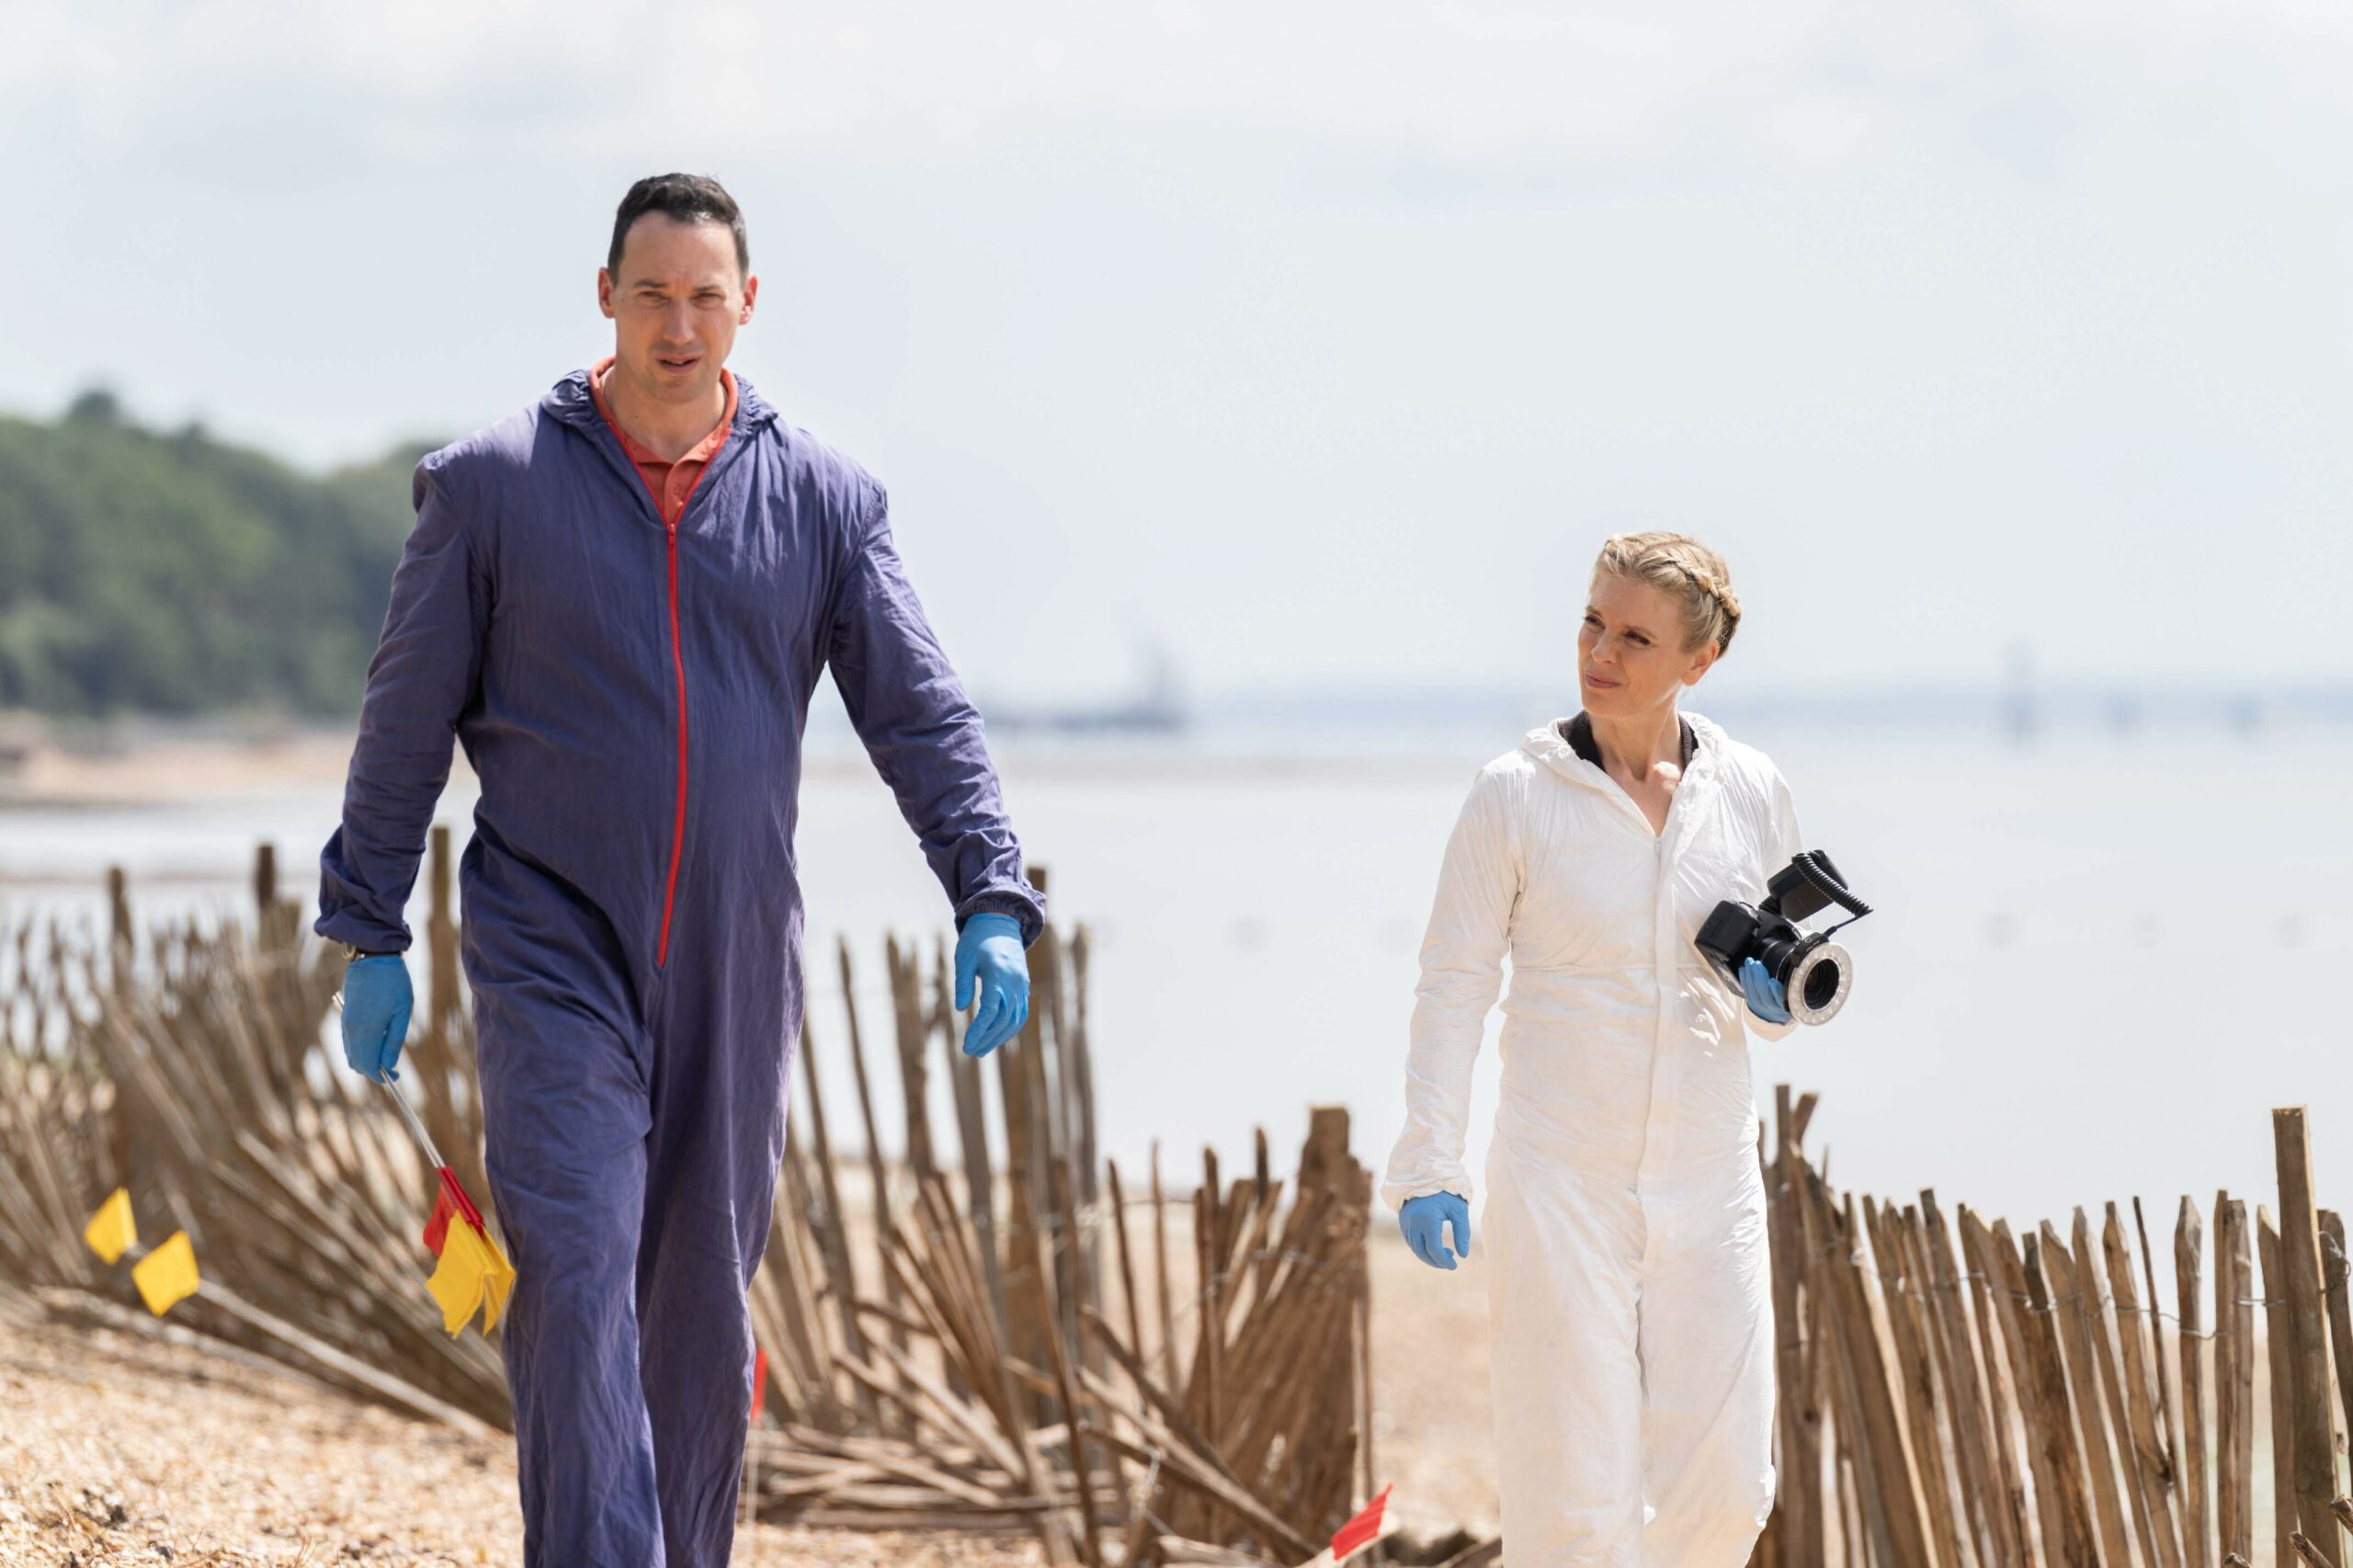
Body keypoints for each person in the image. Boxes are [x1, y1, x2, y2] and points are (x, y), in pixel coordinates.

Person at [314, 173, 1044, 1568]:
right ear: (605, 295)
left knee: (700, 1303)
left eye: (707, 295)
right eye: (651, 292)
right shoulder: (492, 487)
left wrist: (989, 891)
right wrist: (372, 920)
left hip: (733, 947)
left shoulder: (825, 500)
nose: (678, 323)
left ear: (748, 306)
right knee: (580, 1261)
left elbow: (921, 711)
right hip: (547, 938)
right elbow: (403, 713)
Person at [1381, 531, 1813, 1568]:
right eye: (1590, 620)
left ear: (1697, 662)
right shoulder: (1515, 793)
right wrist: (1429, 1161)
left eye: (1632, 634)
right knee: (1573, 1504)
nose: (1599, 651)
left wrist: (1773, 1003)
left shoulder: (1747, 788)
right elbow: (1452, 982)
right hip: (1558, 1182)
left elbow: (1779, 989)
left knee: (1728, 1494)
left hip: (1709, 1186)